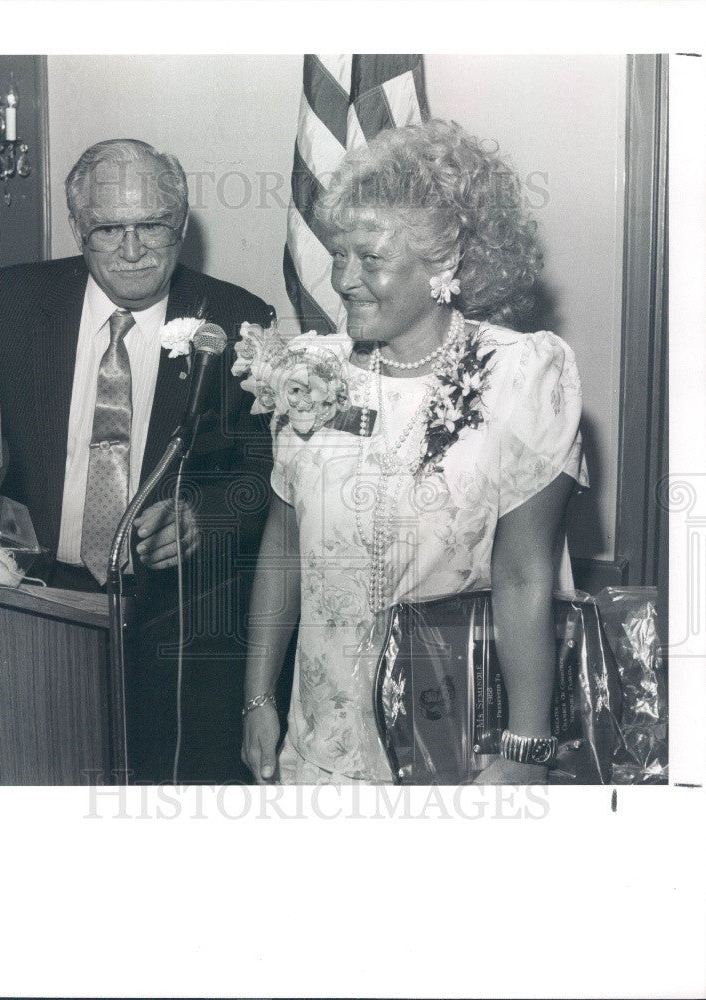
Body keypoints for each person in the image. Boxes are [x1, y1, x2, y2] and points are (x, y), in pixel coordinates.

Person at [235, 119, 588, 785]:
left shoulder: (519, 375)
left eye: (370, 259)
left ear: (443, 264)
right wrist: (257, 698)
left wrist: (525, 749)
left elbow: (523, 577)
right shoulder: (309, 371)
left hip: (455, 741)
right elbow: (282, 545)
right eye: (339, 255)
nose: (344, 280)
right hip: (318, 746)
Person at [0, 138, 275, 783]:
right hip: (35, 603)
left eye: (151, 225)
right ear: (79, 229)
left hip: (175, 621)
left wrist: (203, 519)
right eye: (108, 229)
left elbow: (267, 477)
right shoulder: (13, 299)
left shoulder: (237, 319)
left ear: (179, 225)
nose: (131, 250)